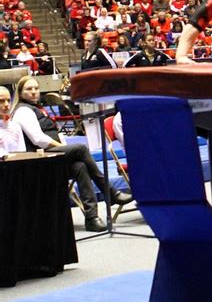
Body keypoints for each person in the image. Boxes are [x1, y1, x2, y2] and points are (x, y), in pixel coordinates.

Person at [10, 76, 133, 232]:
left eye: (36, 88)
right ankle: (110, 192)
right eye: (29, 89)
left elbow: (55, 134)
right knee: (80, 149)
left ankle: (92, 218)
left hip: (52, 158)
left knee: (79, 166)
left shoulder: (37, 108)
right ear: (20, 93)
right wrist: (63, 148)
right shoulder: (23, 111)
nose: (34, 92)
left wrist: (64, 148)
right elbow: (39, 139)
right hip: (39, 159)